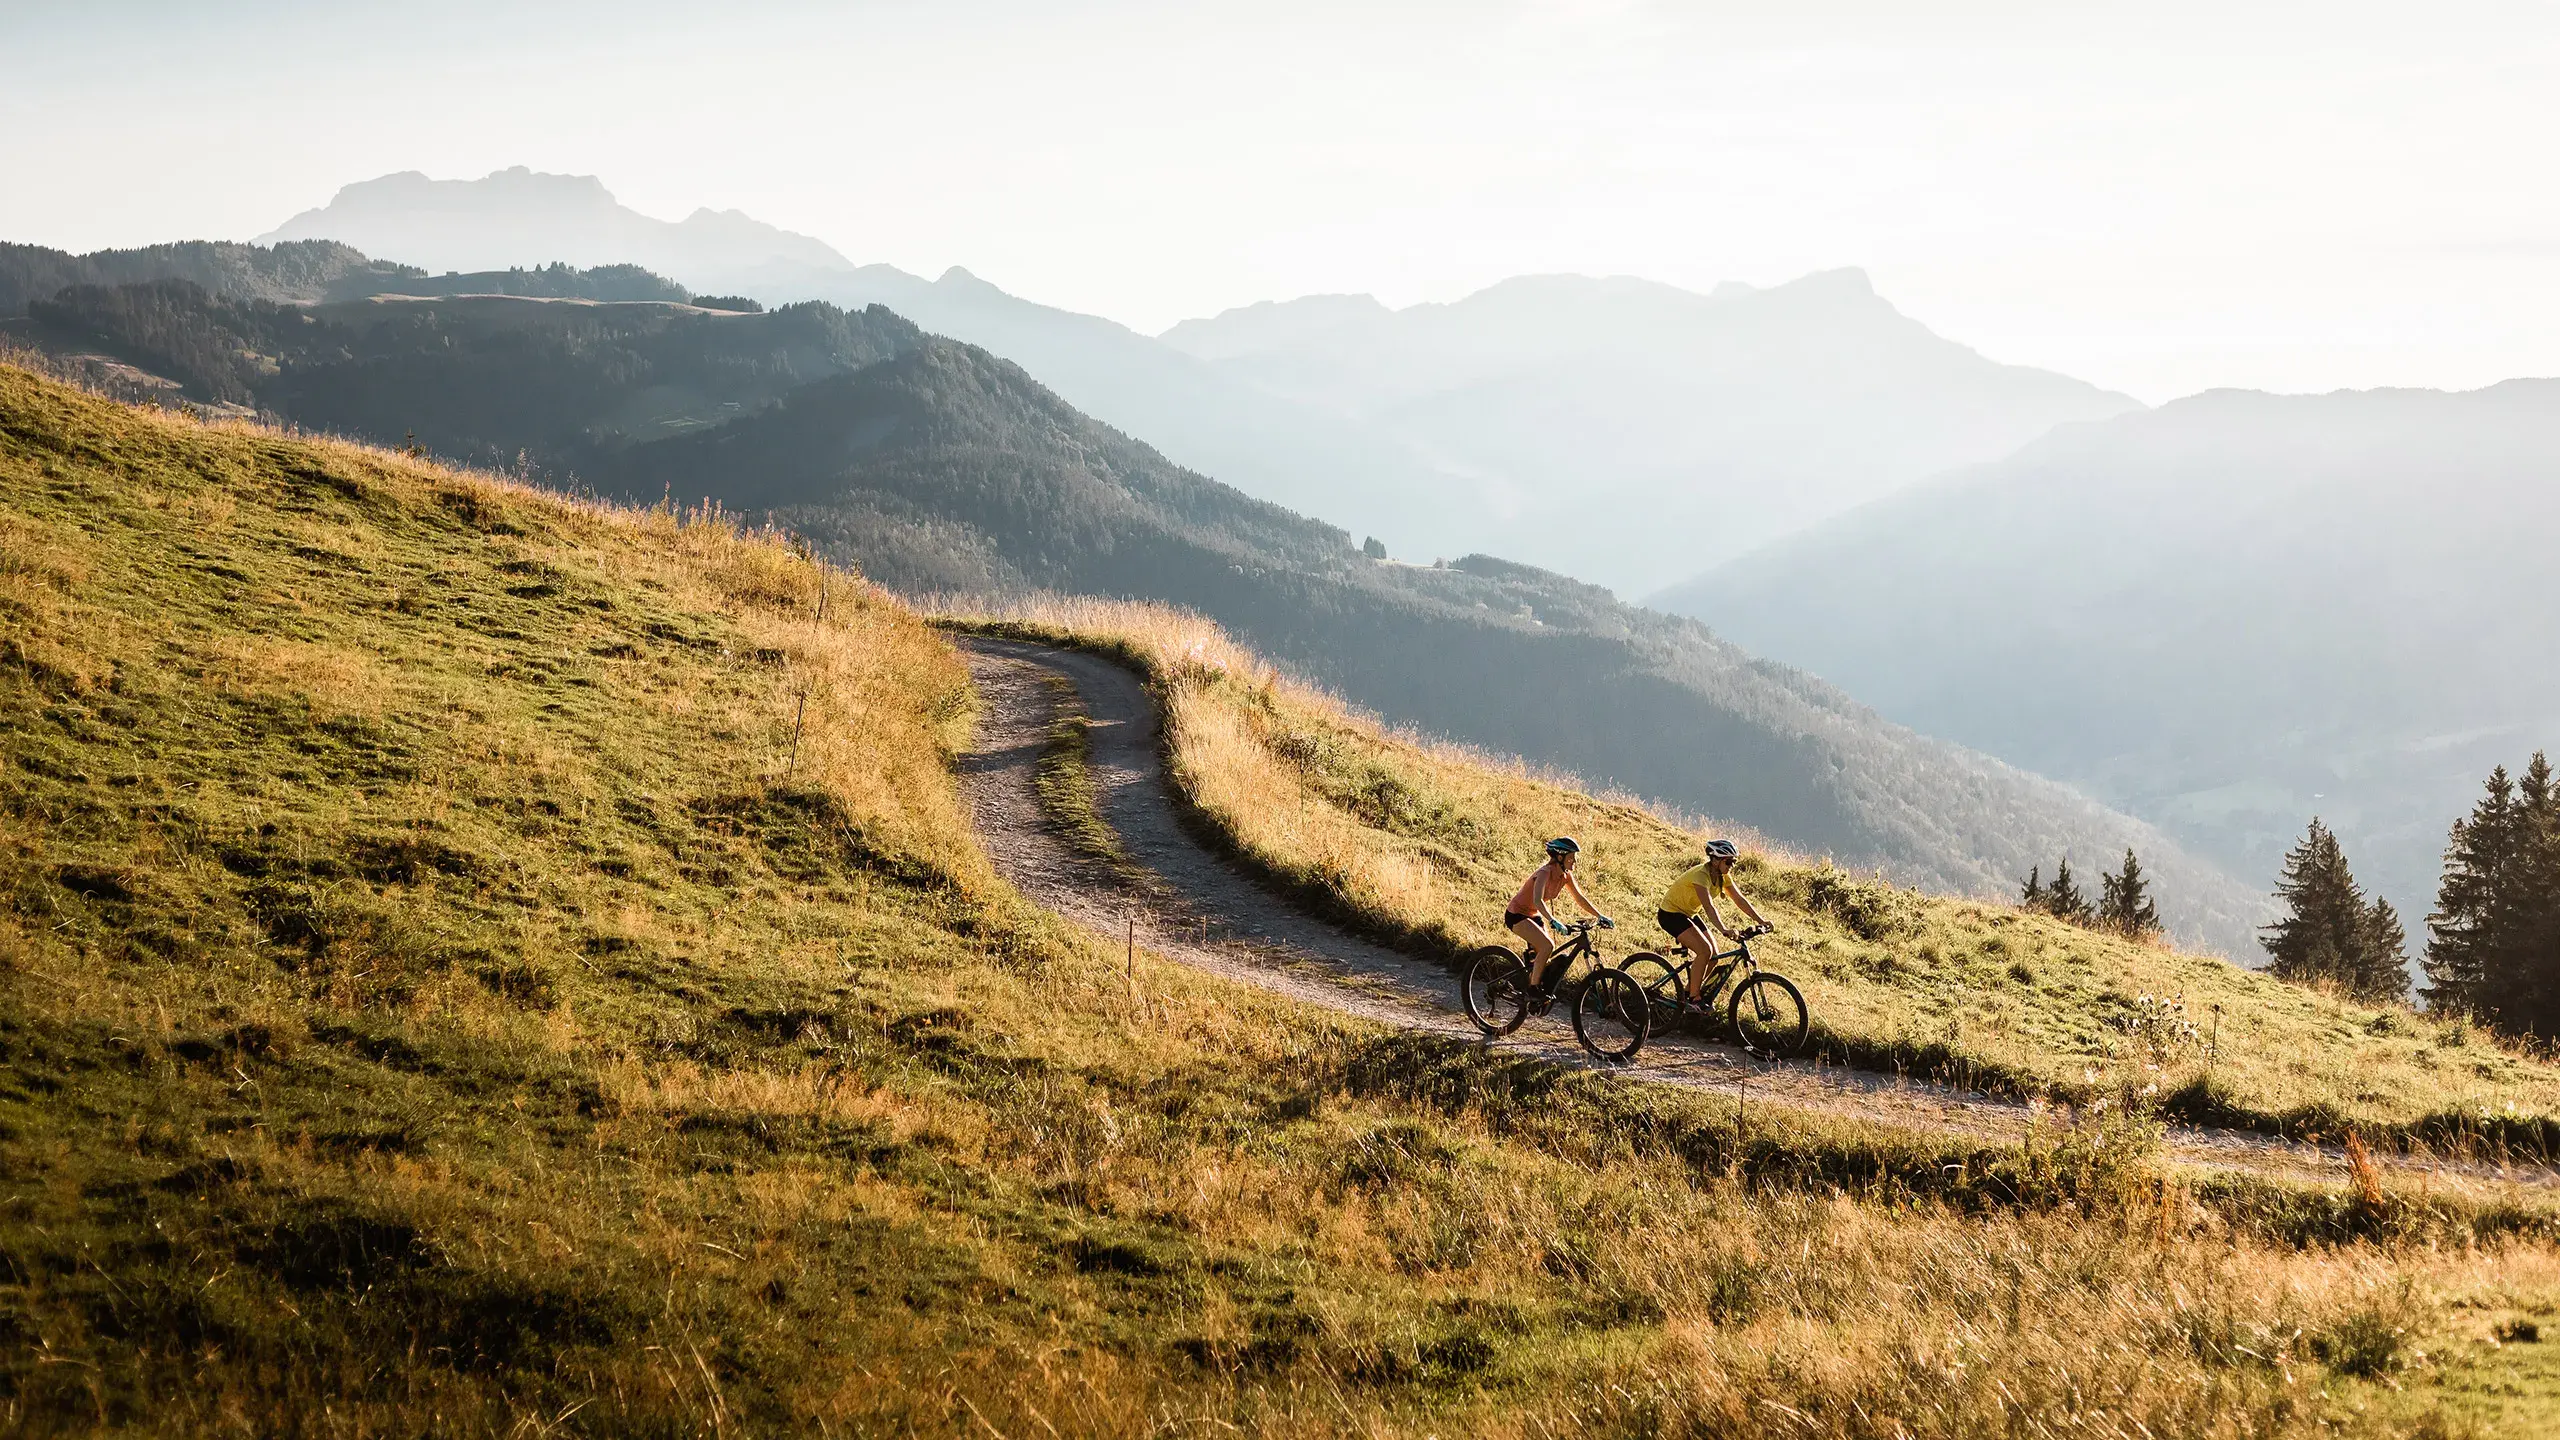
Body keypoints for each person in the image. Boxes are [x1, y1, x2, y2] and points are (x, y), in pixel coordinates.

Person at [1656, 839, 1772, 1007]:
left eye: (1734, 861)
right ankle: (1694, 999)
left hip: (1688, 913)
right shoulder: (1700, 876)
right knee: (1705, 950)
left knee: (1714, 955)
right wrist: (1724, 929)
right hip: (1670, 914)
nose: (1732, 865)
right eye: (1729, 861)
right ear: (1716, 860)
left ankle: (1688, 991)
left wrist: (1761, 920)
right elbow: (1709, 907)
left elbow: (1739, 900)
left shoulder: (1723, 877)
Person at [1506, 837, 1612, 988]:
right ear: (1560, 857)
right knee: (1546, 946)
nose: (1574, 861)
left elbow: (1580, 898)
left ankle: (1529, 985)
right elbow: (1537, 900)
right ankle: (1533, 989)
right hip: (1516, 914)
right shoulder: (1544, 873)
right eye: (1571, 857)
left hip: (1533, 915)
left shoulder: (1566, 875)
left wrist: (1599, 915)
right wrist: (1552, 920)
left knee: (1546, 957)